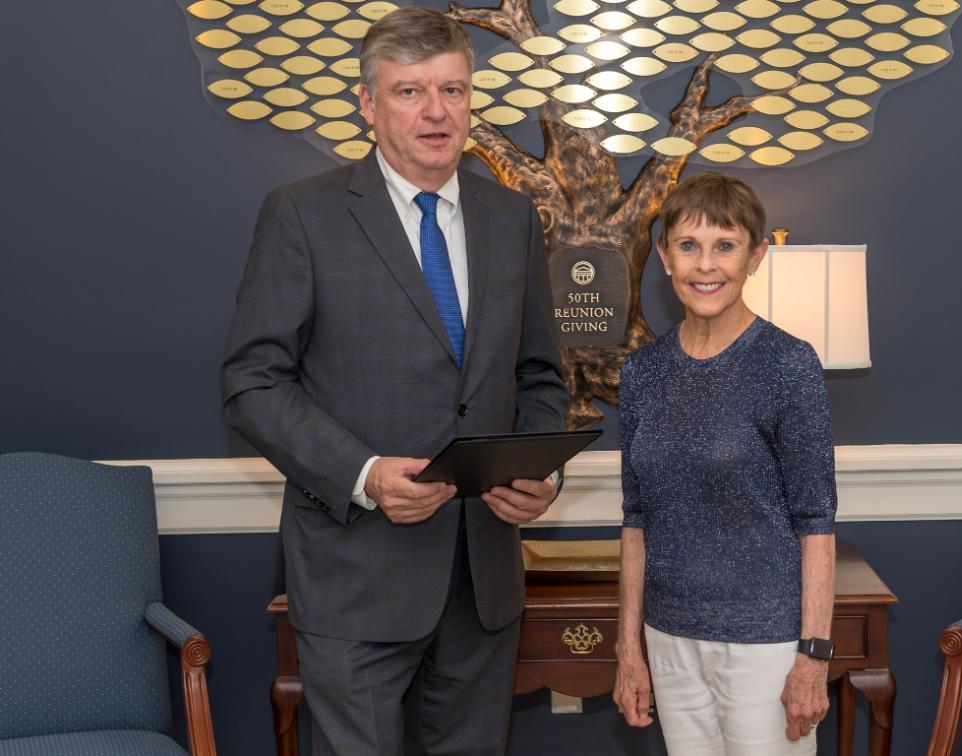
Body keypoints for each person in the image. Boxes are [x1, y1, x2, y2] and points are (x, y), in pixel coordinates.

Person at [219, 7, 569, 754]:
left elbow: (539, 374)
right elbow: (252, 382)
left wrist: (536, 471)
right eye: (411, 92)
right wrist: (366, 473)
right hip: (356, 578)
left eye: (454, 90)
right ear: (368, 105)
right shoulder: (302, 216)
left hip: (483, 583)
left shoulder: (512, 219)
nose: (437, 112)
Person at [613, 173, 837, 755]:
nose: (705, 265)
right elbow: (635, 521)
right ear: (665, 257)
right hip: (667, 639)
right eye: (688, 246)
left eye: (725, 245)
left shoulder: (789, 365)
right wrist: (627, 648)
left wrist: (813, 657)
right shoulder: (641, 374)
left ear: (756, 255)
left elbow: (816, 524)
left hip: (766, 644)